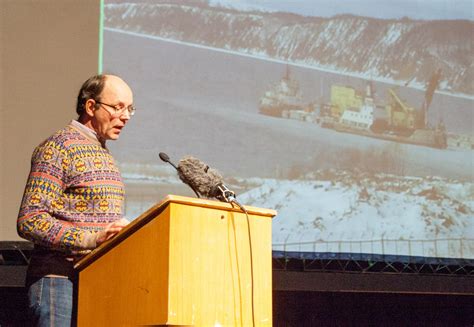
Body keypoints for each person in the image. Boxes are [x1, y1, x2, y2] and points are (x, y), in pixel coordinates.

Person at [17, 74, 135, 326]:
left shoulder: (103, 152)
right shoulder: (58, 147)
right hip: (58, 282)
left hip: (94, 281)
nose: (125, 116)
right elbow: (31, 219)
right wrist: (91, 238)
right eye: (118, 107)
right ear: (91, 107)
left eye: (130, 109)